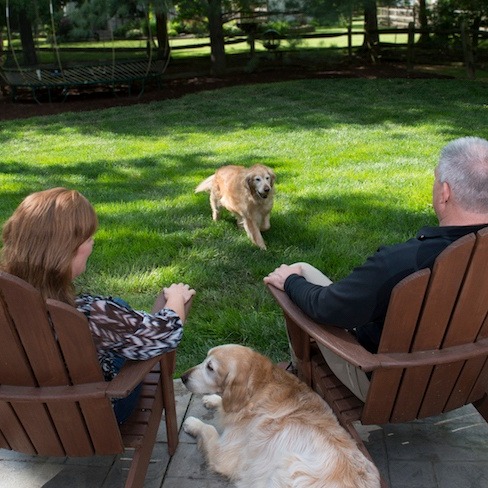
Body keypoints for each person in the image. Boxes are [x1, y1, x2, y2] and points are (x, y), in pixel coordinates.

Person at [264, 136, 488, 401]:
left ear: (445, 192)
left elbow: (327, 308)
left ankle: (299, 374)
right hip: (472, 378)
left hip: (391, 390)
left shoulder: (400, 263)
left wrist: (290, 282)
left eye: (436, 179)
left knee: (298, 271)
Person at [1, 187, 196, 423]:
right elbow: (166, 333)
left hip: (18, 419)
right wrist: (176, 298)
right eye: (88, 237)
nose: (92, 242)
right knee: (122, 317)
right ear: (65, 251)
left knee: (118, 312)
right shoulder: (91, 315)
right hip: (91, 420)